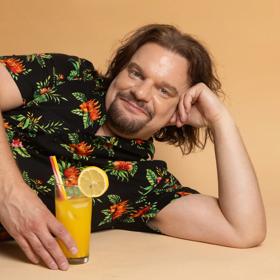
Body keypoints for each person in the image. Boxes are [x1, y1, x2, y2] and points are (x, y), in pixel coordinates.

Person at [0, 24, 266, 270]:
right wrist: (11, 194)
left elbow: (243, 230)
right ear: (120, 69)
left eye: (165, 91)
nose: (141, 92)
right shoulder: (66, 74)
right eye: (136, 73)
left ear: (179, 112)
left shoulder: (143, 184)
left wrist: (220, 120)